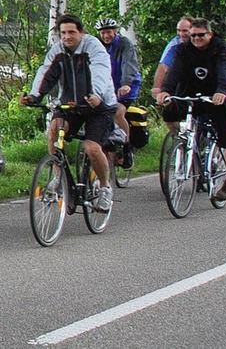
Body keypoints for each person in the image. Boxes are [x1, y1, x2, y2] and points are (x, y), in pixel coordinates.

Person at [20, 14, 117, 212]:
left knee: (91, 147)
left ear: (81, 32)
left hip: (99, 105)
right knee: (54, 129)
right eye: (63, 33)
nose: (67, 37)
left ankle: (105, 187)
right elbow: (46, 73)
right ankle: (58, 177)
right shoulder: (58, 51)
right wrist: (33, 96)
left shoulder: (94, 48)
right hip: (72, 104)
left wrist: (95, 94)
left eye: (71, 32)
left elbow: (100, 71)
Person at [156, 17, 226, 201]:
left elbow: (225, 71)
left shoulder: (219, 49)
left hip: (218, 95)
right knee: (169, 112)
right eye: (193, 35)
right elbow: (175, 72)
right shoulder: (183, 49)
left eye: (201, 35)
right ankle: (184, 143)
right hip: (193, 94)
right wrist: (165, 91)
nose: (196, 39)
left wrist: (222, 91)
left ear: (209, 34)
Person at [95, 17, 141, 169]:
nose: (106, 36)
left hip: (126, 86)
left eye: (108, 32)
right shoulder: (97, 46)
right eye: (102, 33)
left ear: (115, 31)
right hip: (107, 87)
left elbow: (129, 64)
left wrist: (126, 84)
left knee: (118, 111)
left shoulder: (124, 44)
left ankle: (127, 148)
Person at [151, 16, 193, 99]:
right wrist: (157, 88)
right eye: (178, 30)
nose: (181, 34)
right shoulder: (175, 44)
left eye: (185, 31)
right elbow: (163, 66)